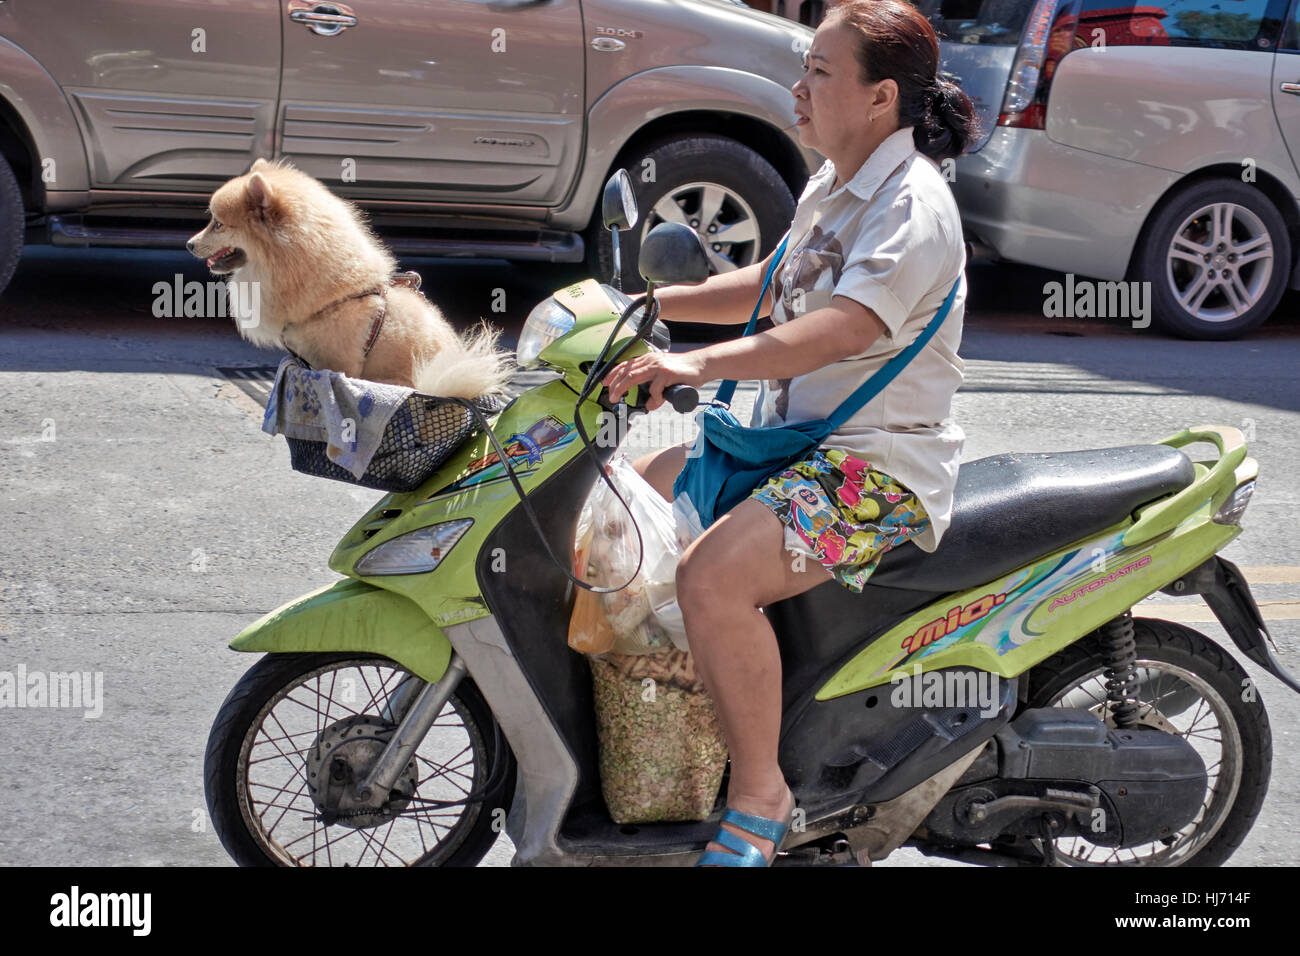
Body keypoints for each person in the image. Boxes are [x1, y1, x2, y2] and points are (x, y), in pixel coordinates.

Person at [601, 0, 979, 866]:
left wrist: (695, 366)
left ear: (881, 97)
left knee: (710, 576)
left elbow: (843, 328)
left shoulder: (911, 206)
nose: (797, 88)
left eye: (818, 72)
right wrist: (641, 310)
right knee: (628, 500)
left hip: (870, 468)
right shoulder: (835, 185)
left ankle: (760, 795)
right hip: (792, 444)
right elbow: (774, 288)